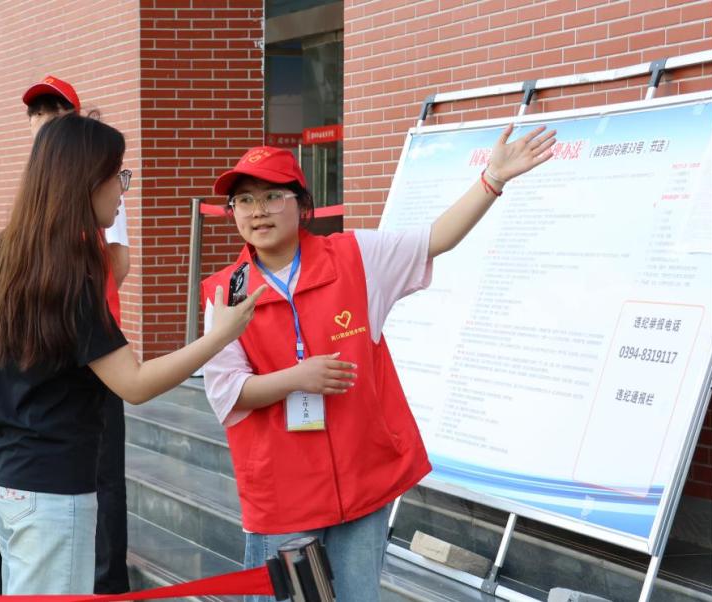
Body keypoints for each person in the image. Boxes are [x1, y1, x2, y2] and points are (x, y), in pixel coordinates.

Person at [201, 124, 556, 601]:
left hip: (363, 481)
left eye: (271, 196)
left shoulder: (355, 257)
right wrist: (295, 378)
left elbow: (435, 239)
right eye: (244, 200)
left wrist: (492, 179)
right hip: (283, 492)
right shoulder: (226, 291)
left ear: (302, 205)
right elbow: (226, 392)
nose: (257, 210)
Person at [0, 113, 264, 594]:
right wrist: (218, 336)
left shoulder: (7, 251)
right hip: (51, 488)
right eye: (118, 177)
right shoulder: (72, 271)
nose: (123, 192)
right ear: (85, 182)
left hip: (8, 474)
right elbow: (134, 383)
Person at [20, 75, 132, 594]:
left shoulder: (98, 187)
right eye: (37, 112)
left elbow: (120, 263)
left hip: (95, 352)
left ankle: (108, 581)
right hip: (49, 374)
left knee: (104, 472)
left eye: (54, 111)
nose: (44, 121)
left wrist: (78, 299)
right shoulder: (33, 197)